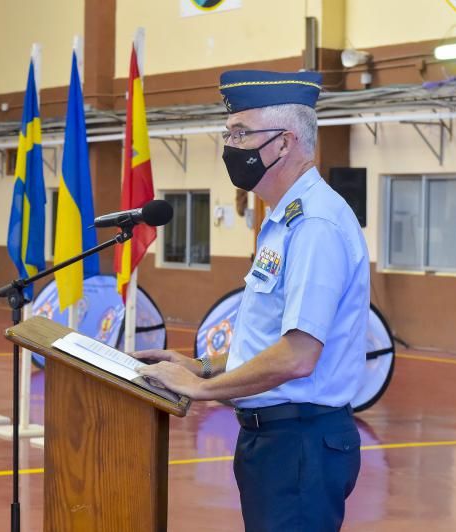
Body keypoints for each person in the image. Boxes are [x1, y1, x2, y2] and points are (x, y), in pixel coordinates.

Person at [136, 70, 369, 532]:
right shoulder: (283, 220)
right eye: (228, 132)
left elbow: (299, 356)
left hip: (299, 443)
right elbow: (270, 337)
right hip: (277, 440)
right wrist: (201, 365)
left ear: (283, 143)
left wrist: (199, 390)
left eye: (240, 132)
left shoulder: (315, 225)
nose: (230, 144)